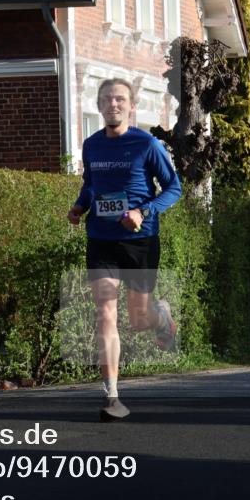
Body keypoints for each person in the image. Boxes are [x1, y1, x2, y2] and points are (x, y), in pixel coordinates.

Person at [68, 78, 182, 422]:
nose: (113, 105)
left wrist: (142, 211)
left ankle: (159, 315)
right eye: (106, 99)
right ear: (99, 105)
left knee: (138, 320)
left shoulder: (146, 144)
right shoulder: (91, 145)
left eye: (119, 99)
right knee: (105, 312)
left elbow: (173, 188)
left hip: (140, 240)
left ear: (131, 106)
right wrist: (79, 207)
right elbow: (91, 185)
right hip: (100, 239)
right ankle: (112, 394)